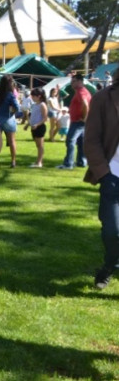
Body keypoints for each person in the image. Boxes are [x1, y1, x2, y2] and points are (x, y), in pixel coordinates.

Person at [83, 70, 119, 290]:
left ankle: (108, 267)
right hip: (113, 175)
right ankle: (110, 263)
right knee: (112, 231)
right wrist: (103, 173)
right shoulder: (104, 97)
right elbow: (91, 138)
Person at [57, 74, 92, 169]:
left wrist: (84, 117)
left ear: (80, 81)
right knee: (81, 142)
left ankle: (68, 163)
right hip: (80, 122)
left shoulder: (81, 92)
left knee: (70, 141)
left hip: (78, 122)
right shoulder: (82, 91)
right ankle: (81, 161)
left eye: (74, 81)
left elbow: (85, 105)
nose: (72, 84)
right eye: (71, 82)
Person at [0, 75, 20, 168]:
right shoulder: (10, 95)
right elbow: (17, 107)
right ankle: (13, 161)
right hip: (8, 119)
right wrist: (12, 112)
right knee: (12, 141)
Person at [28, 88, 48, 168]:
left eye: (33, 95)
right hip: (34, 127)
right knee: (38, 145)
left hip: (40, 127)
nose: (32, 97)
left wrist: (37, 125)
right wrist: (28, 124)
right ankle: (38, 161)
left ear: (39, 96)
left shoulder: (42, 105)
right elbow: (33, 116)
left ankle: (39, 162)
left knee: (40, 146)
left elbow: (45, 118)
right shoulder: (35, 105)